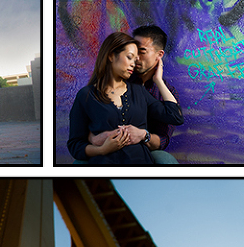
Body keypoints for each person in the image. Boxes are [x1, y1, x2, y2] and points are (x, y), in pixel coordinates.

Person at [67, 32, 184, 166]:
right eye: (130, 57)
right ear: (111, 55)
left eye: (135, 59)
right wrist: (101, 149)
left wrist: (158, 80)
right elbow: (75, 144)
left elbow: (176, 116)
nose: (134, 63)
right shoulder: (86, 95)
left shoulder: (139, 91)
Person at [132, 25, 180, 165]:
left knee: (164, 160)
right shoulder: (119, 80)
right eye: (133, 51)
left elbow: (162, 140)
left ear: (159, 55)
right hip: (111, 146)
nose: (135, 57)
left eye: (142, 52)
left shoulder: (166, 94)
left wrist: (143, 136)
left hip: (145, 150)